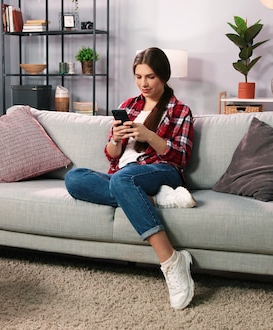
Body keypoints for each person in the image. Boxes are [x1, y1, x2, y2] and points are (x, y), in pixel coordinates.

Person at [64, 47, 195, 310]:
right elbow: (112, 156)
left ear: (164, 76)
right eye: (138, 77)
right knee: (74, 178)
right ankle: (155, 199)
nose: (143, 84)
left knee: (123, 180)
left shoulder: (179, 110)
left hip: (162, 170)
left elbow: (180, 157)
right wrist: (115, 139)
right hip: (122, 174)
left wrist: (148, 135)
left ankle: (171, 261)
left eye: (150, 77)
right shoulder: (128, 106)